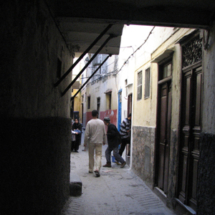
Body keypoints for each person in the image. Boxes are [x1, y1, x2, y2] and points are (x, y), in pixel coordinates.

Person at [84, 110, 107, 177]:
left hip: (91, 142)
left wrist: (85, 142)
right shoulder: (101, 122)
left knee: (91, 155)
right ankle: (97, 168)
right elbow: (104, 133)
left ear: (91, 115)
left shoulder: (89, 123)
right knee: (98, 155)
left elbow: (86, 134)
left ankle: (91, 169)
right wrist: (104, 141)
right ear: (97, 114)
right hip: (99, 141)